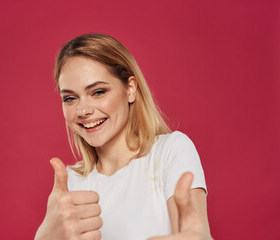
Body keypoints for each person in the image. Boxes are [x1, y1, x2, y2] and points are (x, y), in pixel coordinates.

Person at [35, 33, 213, 240]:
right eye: (70, 98)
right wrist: (44, 237)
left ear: (130, 89)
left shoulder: (170, 151)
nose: (83, 110)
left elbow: (194, 233)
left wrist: (198, 235)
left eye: (98, 92)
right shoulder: (71, 182)